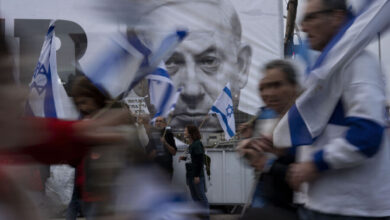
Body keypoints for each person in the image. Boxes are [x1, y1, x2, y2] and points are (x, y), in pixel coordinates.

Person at [280, 0, 390, 219]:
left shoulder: (358, 63)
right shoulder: (325, 67)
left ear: (337, 17)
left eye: (311, 17)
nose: (303, 26)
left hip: (352, 210)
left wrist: (314, 165)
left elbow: (366, 134)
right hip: (325, 206)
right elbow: (322, 133)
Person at [134, 0, 252, 131]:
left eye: (209, 61)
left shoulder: (259, 130)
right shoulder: (136, 138)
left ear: (242, 67)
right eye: (169, 62)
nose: (192, 91)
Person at [237, 60, 299, 220]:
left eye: (277, 85)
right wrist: (248, 146)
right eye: (263, 88)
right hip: (266, 196)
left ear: (294, 86)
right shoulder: (267, 116)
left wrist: (267, 163)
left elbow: (302, 173)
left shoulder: (308, 120)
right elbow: (258, 161)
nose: (268, 93)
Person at [179, 125, 209, 220]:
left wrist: (196, 175)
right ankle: (199, 216)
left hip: (196, 176)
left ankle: (205, 217)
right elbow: (191, 159)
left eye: (185, 130)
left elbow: (200, 161)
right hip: (190, 175)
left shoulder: (197, 144)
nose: (184, 132)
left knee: (201, 197)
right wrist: (183, 158)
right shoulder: (191, 145)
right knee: (195, 197)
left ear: (190, 133)